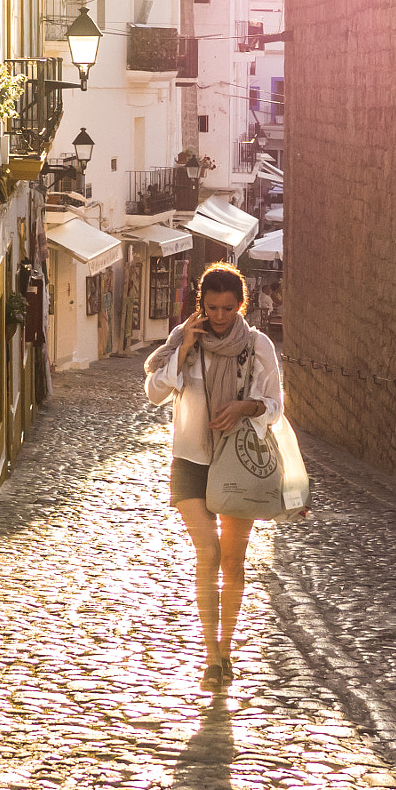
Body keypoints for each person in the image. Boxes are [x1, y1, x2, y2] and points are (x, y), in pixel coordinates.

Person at [144, 262, 284, 687]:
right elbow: (154, 393)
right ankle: (209, 655)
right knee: (207, 554)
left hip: (236, 462)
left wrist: (244, 407)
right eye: (212, 308)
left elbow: (275, 406)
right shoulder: (185, 342)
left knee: (232, 559)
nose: (220, 317)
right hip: (189, 460)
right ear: (200, 305)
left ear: (241, 305)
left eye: (227, 308)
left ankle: (226, 648)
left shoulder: (258, 346)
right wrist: (184, 349)